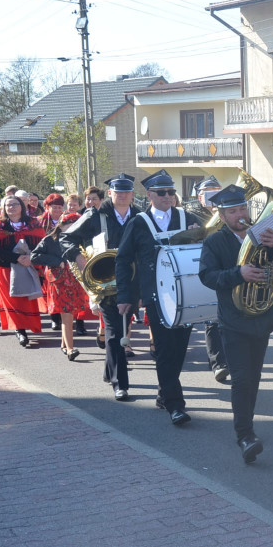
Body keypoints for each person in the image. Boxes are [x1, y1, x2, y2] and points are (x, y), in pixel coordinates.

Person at [199, 184, 273, 464]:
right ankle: (245, 434)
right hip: (233, 320)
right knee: (241, 379)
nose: (240, 214)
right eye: (233, 211)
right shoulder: (215, 242)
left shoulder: (264, 235)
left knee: (253, 376)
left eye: (242, 208)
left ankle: (247, 424)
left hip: (262, 317)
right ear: (223, 215)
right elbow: (207, 276)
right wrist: (239, 274)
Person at [115, 169, 200, 423]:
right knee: (164, 349)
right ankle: (176, 406)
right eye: (162, 192)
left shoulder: (189, 217)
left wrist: (200, 234)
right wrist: (124, 295)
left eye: (171, 192)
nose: (168, 196)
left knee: (178, 350)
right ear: (150, 195)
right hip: (155, 295)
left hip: (186, 295)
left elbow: (206, 247)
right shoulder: (139, 222)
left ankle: (165, 392)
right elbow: (123, 259)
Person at [61, 174, 142, 401]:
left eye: (127, 191)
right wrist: (79, 257)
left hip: (132, 282)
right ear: (110, 193)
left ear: (133, 195)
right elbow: (66, 239)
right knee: (115, 333)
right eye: (118, 191)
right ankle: (120, 384)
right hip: (105, 283)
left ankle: (110, 371)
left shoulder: (140, 216)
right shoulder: (95, 215)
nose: (123, 195)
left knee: (122, 328)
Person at [32, 211, 90, 360]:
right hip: (59, 282)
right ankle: (70, 349)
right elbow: (34, 256)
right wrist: (56, 261)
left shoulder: (81, 240)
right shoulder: (50, 240)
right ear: (62, 225)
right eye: (71, 225)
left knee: (71, 313)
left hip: (76, 281)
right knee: (67, 314)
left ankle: (64, 345)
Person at [193, 175, 229, 383]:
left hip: (225, 269)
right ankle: (218, 363)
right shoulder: (192, 214)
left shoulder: (225, 214)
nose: (213, 195)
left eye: (217, 190)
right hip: (205, 270)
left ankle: (226, 358)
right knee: (212, 318)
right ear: (200, 197)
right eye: (209, 192)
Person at [0, 195, 45, 346]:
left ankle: (27, 326)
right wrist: (16, 257)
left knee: (27, 299)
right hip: (7, 268)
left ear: (21, 207)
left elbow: (42, 245)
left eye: (14, 204)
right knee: (13, 299)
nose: (11, 207)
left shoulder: (33, 224)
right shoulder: (0, 226)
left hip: (29, 266)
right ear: (4, 208)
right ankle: (20, 330)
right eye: (8, 205)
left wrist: (31, 257)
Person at [39, 194, 67, 333]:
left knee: (65, 290)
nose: (57, 210)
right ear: (47, 208)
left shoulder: (67, 220)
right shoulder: (40, 222)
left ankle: (66, 318)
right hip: (48, 260)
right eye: (54, 207)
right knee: (51, 291)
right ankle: (55, 318)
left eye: (59, 207)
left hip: (65, 260)